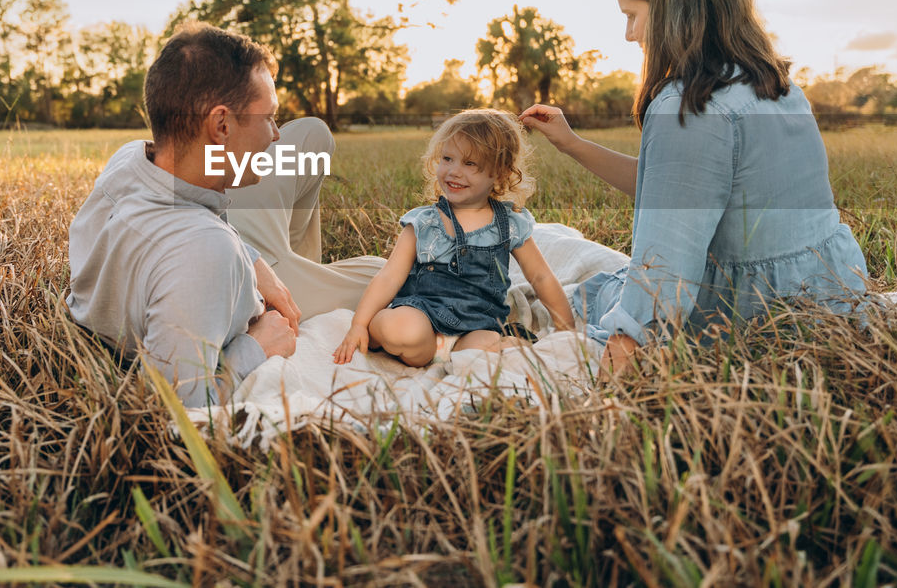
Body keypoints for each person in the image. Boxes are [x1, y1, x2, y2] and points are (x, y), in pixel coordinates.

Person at [521, 0, 869, 379]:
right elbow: (677, 191)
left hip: (748, 319)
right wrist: (572, 144)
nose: (629, 33)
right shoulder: (776, 86)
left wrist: (623, 354)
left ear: (671, 11)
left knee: (590, 296)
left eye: (633, 15)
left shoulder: (688, 107)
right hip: (832, 295)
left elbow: (665, 269)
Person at [67, 23, 381, 407]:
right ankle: (304, 294)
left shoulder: (131, 158)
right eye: (268, 118)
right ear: (221, 125)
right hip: (230, 281)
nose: (276, 135)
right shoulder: (203, 256)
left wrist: (254, 260)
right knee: (390, 275)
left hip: (227, 242)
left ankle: (297, 266)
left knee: (313, 135)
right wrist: (258, 345)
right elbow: (183, 403)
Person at [333, 109, 577, 368]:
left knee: (492, 349)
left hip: (475, 328)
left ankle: (468, 349)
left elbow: (541, 277)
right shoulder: (425, 222)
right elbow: (389, 276)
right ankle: (389, 334)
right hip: (422, 317)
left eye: (469, 164)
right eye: (448, 159)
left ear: (500, 173)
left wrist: (567, 330)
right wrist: (359, 324)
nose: (454, 171)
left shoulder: (510, 224)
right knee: (402, 330)